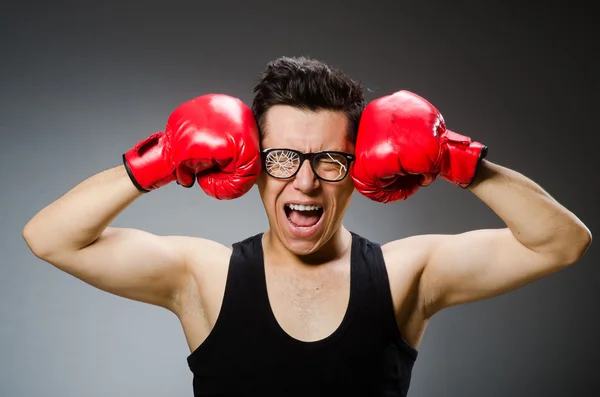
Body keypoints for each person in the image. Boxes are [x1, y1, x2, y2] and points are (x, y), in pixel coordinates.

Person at [22, 56, 592, 397]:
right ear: (252, 167)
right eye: (282, 158)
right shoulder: (204, 276)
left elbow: (563, 242)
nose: (305, 182)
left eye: (329, 160)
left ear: (359, 169)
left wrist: (454, 157)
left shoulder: (404, 274)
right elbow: (48, 237)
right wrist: (160, 159)